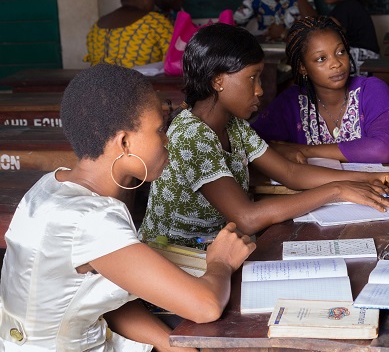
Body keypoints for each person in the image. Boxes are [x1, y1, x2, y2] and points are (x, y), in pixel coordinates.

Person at [0, 64, 255, 351]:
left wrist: (168, 344)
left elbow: (104, 297)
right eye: (160, 130)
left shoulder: (49, 186)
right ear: (124, 142)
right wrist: (221, 261)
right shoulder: (92, 220)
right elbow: (205, 306)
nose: (167, 140)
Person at [139, 23, 389, 249]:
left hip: (219, 249)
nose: (260, 90)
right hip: (177, 258)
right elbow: (248, 218)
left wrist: (368, 178)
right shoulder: (191, 134)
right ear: (218, 81)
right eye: (252, 78)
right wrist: (338, 190)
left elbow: (290, 173)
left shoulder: (234, 126)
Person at [251, 16, 389, 163]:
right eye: (321, 58)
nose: (336, 64)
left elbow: (383, 150)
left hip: (370, 184)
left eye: (341, 52)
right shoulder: (291, 102)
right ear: (303, 67)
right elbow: (249, 143)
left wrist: (301, 150)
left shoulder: (371, 90)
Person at [84, 0, 173, 67]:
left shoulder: (97, 26)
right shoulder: (156, 22)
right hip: (139, 82)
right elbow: (174, 60)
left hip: (96, 82)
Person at [323, 0, 380, 75]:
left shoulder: (346, 6)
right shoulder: (348, 5)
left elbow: (333, 33)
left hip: (364, 59)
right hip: (367, 57)